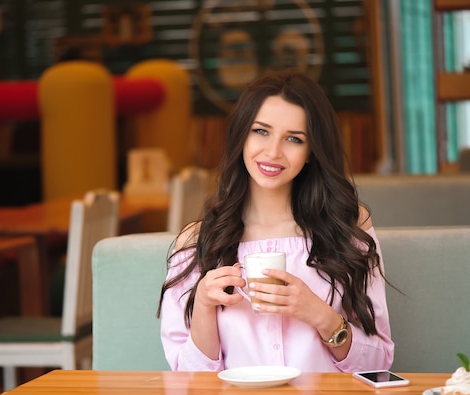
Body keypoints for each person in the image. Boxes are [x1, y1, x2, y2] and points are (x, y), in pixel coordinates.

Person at [157, 70, 394, 372]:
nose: (272, 152)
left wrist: (319, 315)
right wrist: (203, 305)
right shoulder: (196, 242)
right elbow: (189, 380)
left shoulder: (347, 226)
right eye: (261, 131)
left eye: (294, 139)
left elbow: (378, 363)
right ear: (241, 135)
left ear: (311, 151)